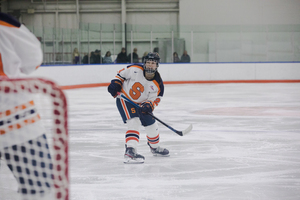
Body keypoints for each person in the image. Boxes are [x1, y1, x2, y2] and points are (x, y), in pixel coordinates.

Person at [0, 12, 54, 199]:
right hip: (14, 119)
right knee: (40, 189)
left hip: (13, 118)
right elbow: (33, 58)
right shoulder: (4, 24)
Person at [107, 52, 169, 164]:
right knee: (134, 121)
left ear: (157, 65)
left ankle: (155, 147)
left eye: (153, 63)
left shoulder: (158, 84)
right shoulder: (135, 69)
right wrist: (116, 83)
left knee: (151, 124)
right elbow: (121, 75)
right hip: (125, 99)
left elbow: (155, 99)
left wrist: (148, 106)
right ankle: (130, 151)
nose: (150, 65)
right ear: (144, 63)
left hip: (142, 104)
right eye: (148, 62)